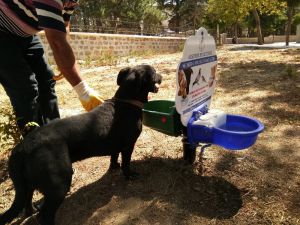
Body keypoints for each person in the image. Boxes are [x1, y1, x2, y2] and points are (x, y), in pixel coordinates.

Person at [0, 0, 104, 134]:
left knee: (47, 80)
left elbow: (63, 24)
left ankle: (55, 137)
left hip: (25, 35)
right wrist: (83, 91)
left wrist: (65, 60)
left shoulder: (71, 1)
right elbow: (57, 42)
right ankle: (34, 145)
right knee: (25, 88)